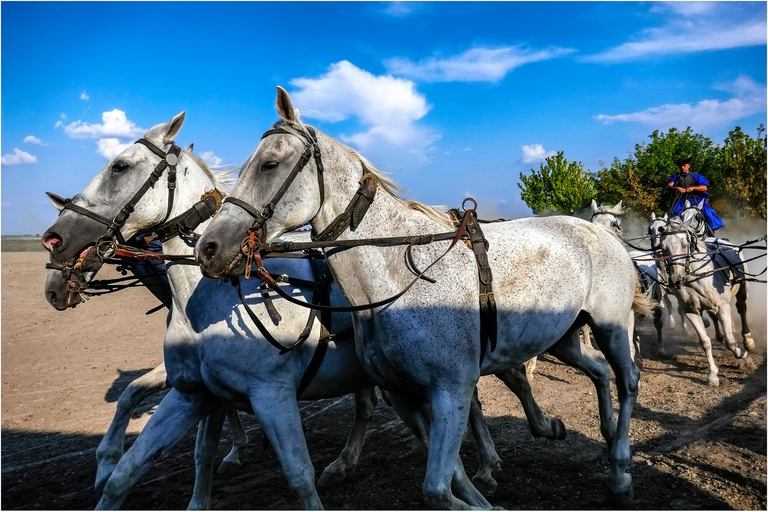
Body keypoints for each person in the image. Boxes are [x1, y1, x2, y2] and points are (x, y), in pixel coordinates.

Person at [666, 155, 724, 231]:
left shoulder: (696, 176)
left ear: (689, 166)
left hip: (695, 200)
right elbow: (668, 186)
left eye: (684, 165)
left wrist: (693, 188)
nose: (682, 168)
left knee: (708, 214)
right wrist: (677, 188)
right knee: (672, 216)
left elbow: (704, 187)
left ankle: (710, 231)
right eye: (680, 166)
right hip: (681, 201)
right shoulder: (675, 177)